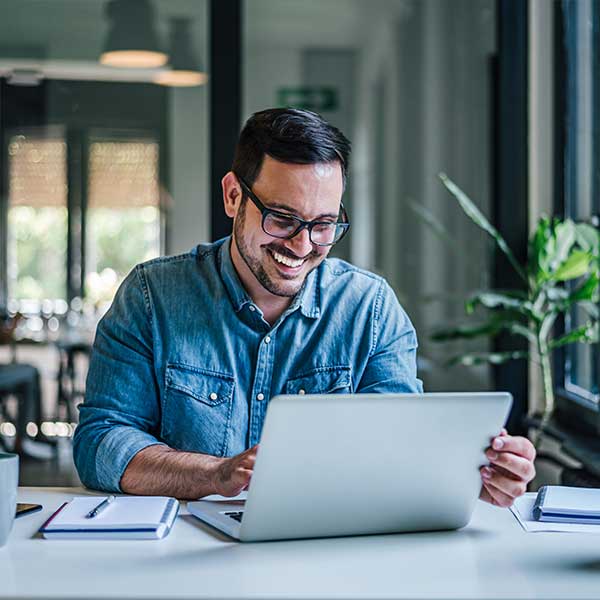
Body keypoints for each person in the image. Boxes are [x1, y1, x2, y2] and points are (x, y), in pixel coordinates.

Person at [73, 108, 535, 505]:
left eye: (324, 225)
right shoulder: (152, 298)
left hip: (326, 561)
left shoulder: (370, 311)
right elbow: (100, 443)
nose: (303, 244)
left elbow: (396, 451)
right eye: (283, 218)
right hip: (182, 557)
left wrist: (474, 475)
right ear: (234, 196)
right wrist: (217, 474)